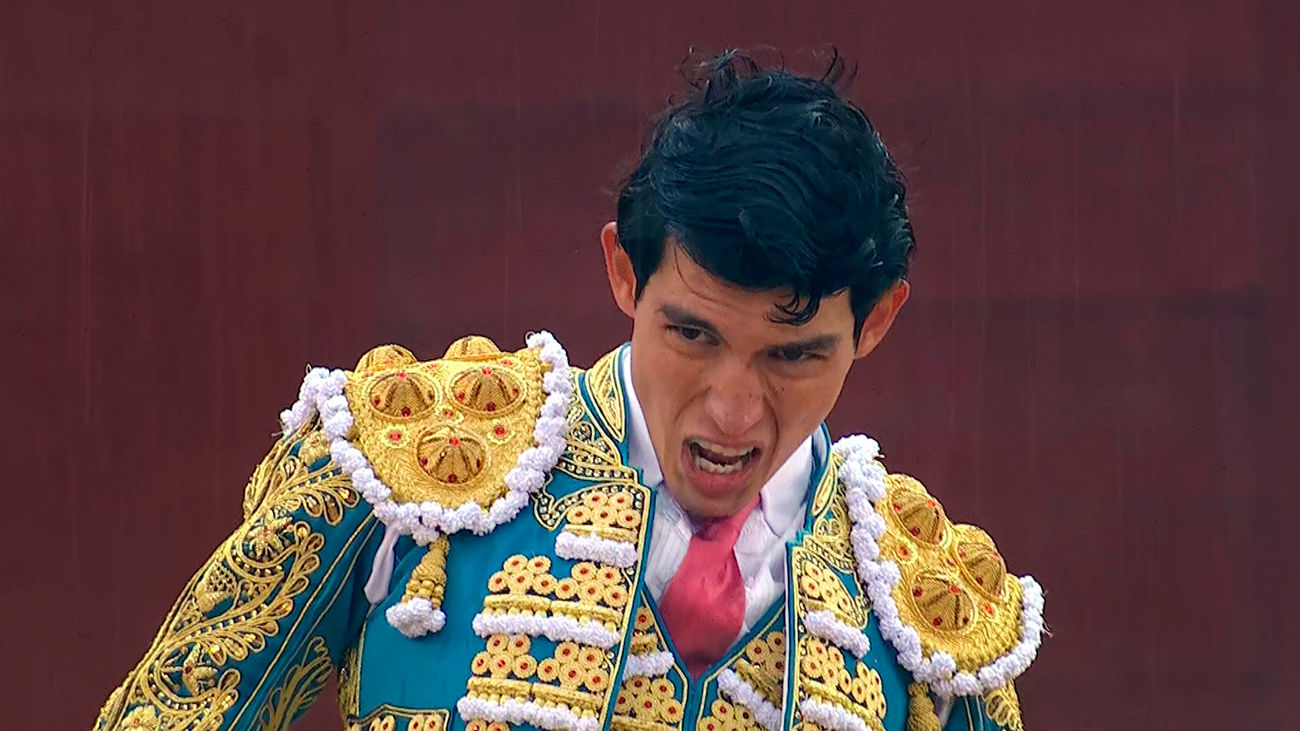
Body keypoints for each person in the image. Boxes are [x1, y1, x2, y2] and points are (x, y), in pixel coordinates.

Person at [94, 50, 1044, 731]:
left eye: (791, 357)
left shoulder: (925, 610)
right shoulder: (404, 466)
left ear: (875, 323)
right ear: (624, 274)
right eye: (693, 334)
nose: (731, 412)